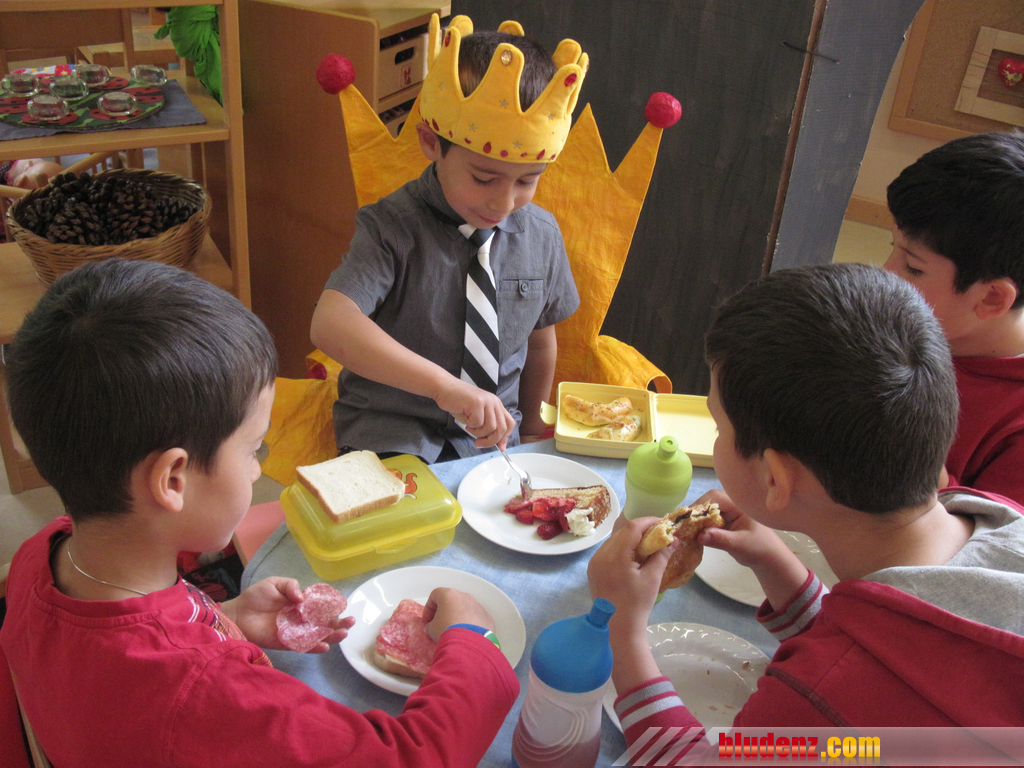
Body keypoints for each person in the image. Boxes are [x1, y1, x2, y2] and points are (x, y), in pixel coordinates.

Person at [0, 259, 518, 767]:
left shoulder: (40, 554)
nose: (257, 470)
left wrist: (223, 621)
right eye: (253, 450)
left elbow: (115, 671)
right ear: (173, 480)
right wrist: (475, 642)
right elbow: (413, 757)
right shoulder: (208, 694)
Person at [588, 264, 1024, 758]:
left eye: (719, 427)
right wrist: (775, 562)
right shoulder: (995, 519)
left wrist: (623, 631)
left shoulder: (816, 700)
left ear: (775, 480)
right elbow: (889, 644)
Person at [310, 14, 584, 463]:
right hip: (394, 429)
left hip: (494, 439)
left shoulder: (542, 235)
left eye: (527, 181)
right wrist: (444, 388)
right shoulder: (390, 227)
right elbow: (331, 323)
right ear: (430, 142)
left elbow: (540, 342)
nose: (504, 202)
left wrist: (534, 431)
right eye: (483, 178)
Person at [884, 131, 1024, 505]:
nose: (886, 273)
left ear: (991, 298)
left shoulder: (1015, 425)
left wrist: (922, 470)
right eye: (893, 248)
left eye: (913, 267)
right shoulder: (901, 327)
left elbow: (995, 536)